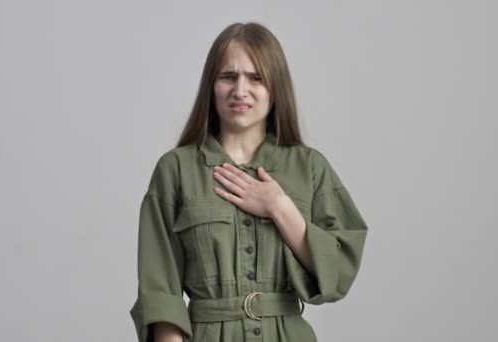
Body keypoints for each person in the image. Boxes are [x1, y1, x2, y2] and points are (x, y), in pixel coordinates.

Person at [130, 22, 368, 342]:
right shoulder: (175, 169)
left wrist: (279, 206)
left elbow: (338, 272)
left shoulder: (309, 167)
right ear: (211, 86)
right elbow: (160, 290)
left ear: (275, 87)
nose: (240, 91)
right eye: (228, 77)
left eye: (256, 78)